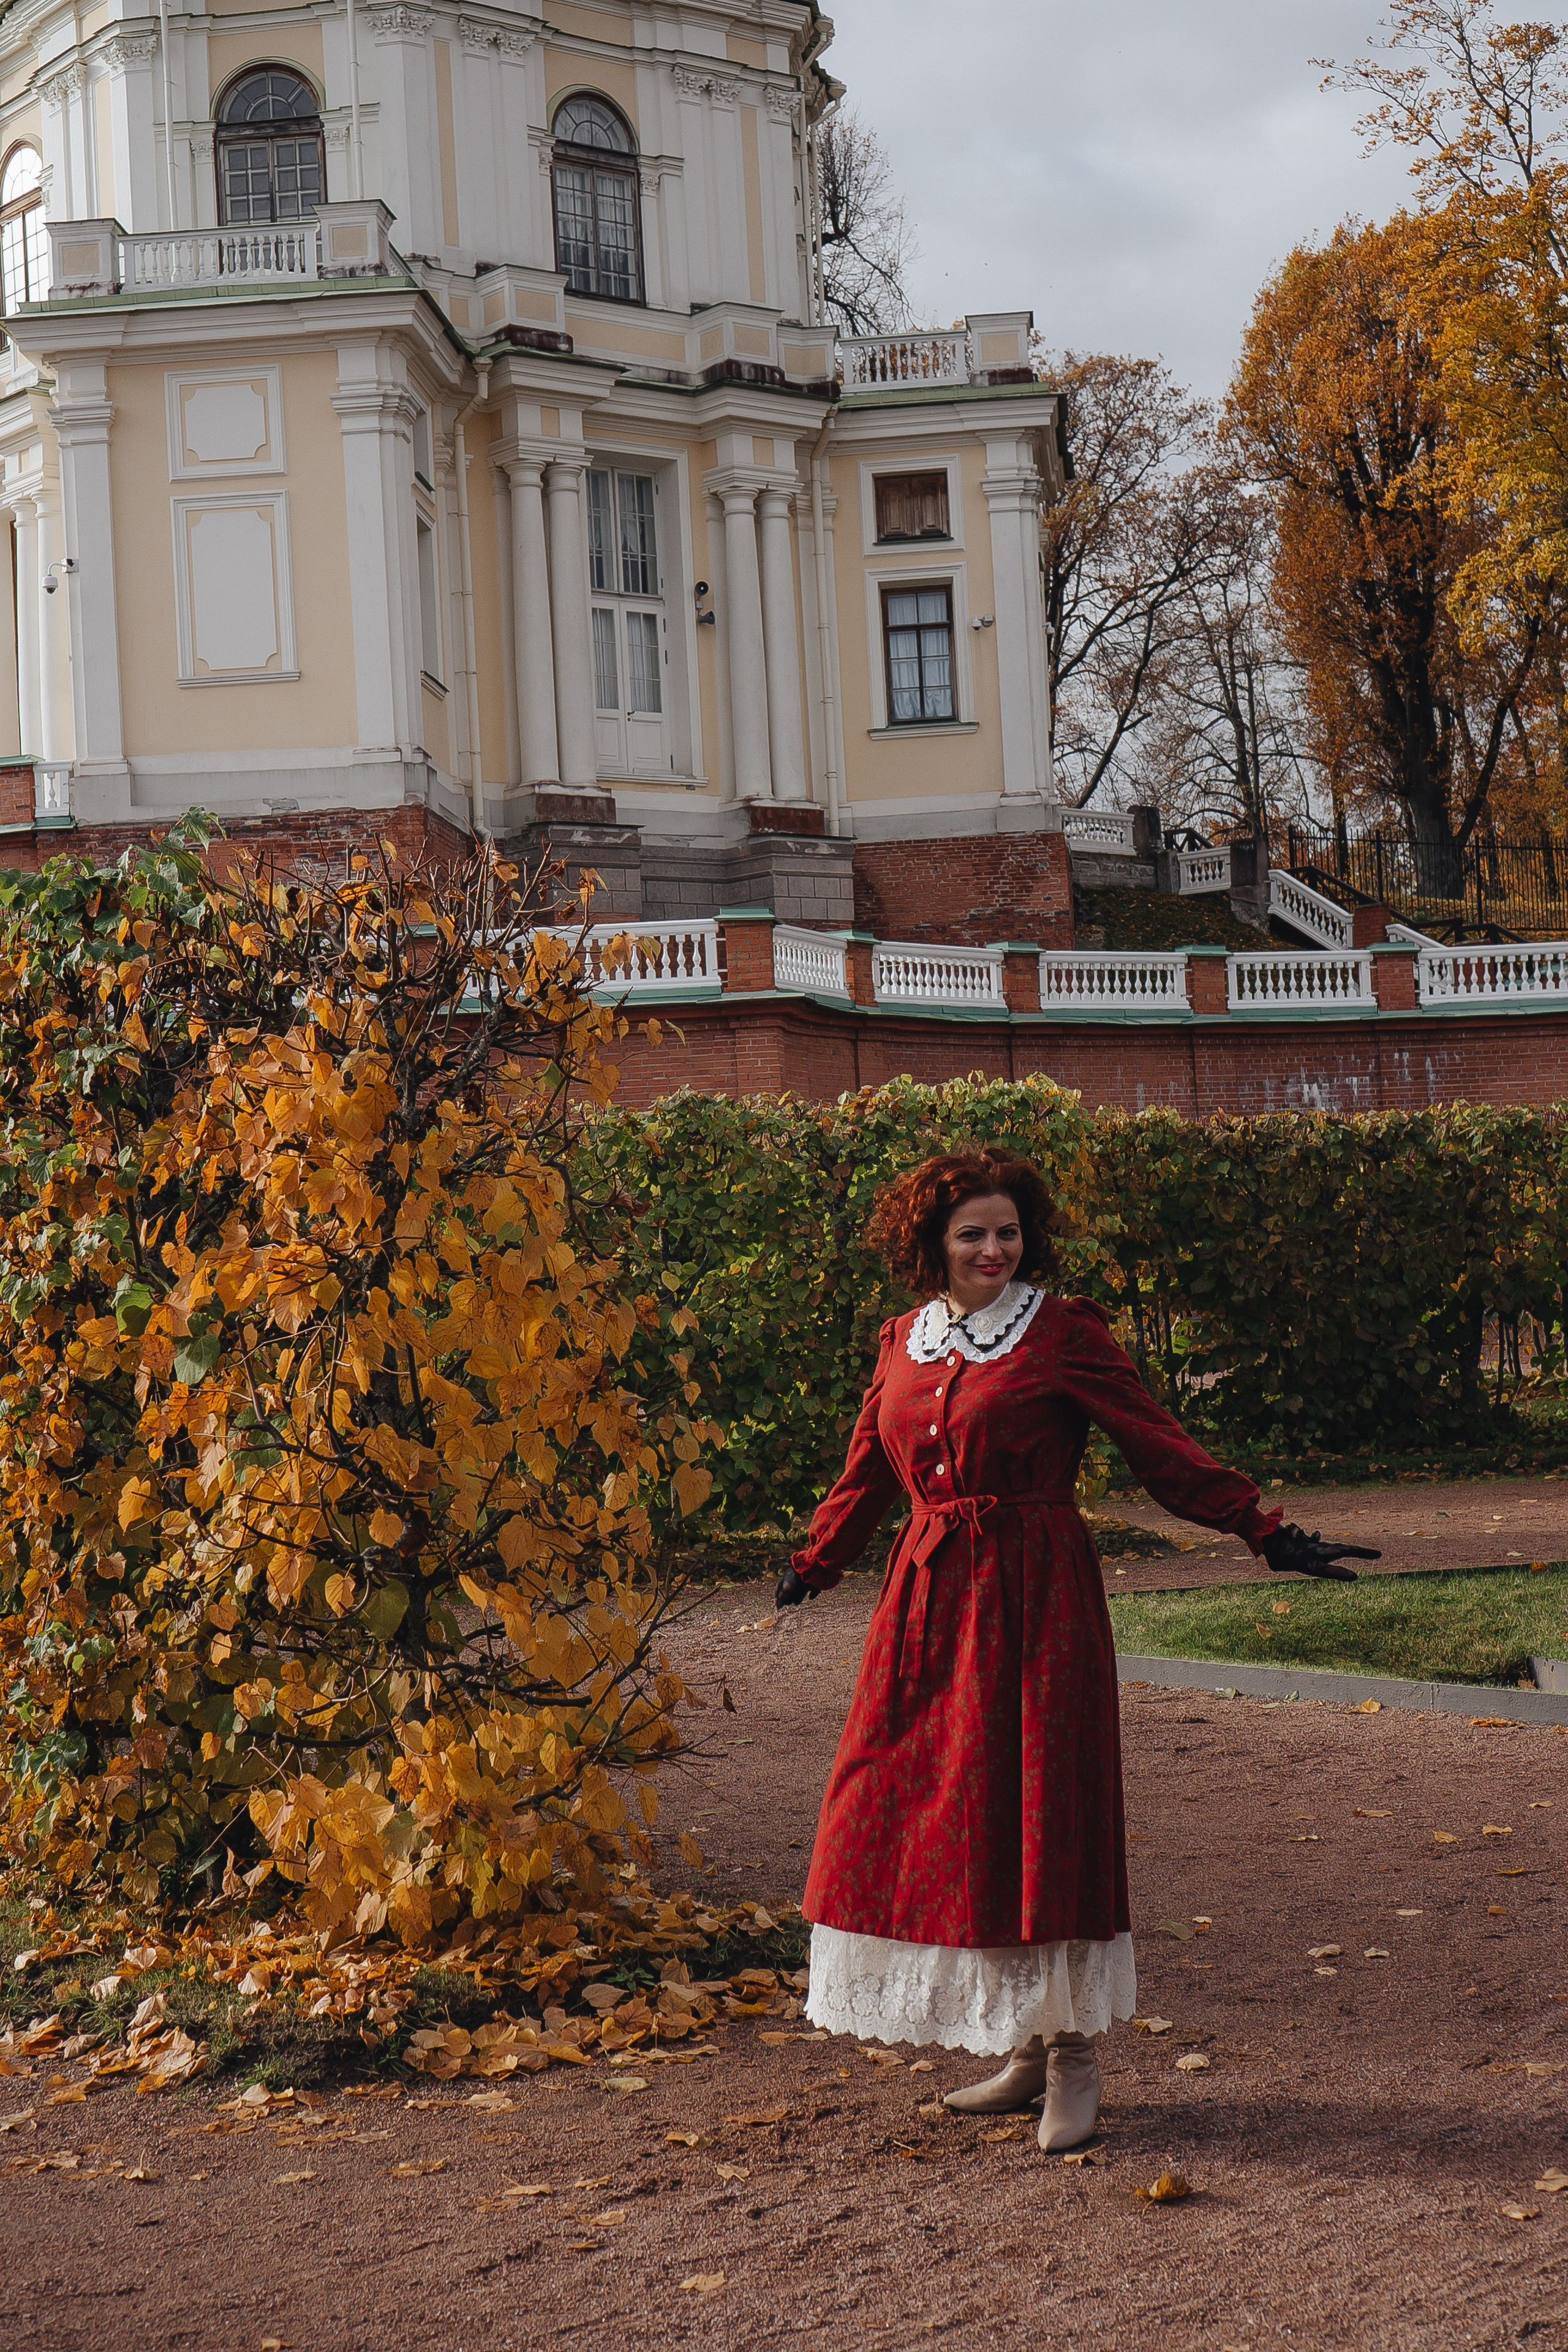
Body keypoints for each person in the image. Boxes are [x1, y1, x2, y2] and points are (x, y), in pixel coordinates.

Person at [776, 1148, 1377, 2149]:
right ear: (932, 1243)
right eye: (972, 1233)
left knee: (1038, 1812)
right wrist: (818, 1558)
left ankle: (1072, 2058)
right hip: (927, 1603)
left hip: (1035, 1598)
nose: (992, 1248)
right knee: (910, 1803)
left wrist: (1260, 1528)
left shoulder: (1060, 1332)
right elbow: (868, 1470)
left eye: (1007, 1231)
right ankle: (1020, 2042)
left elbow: (1156, 1441)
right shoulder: (904, 1341)